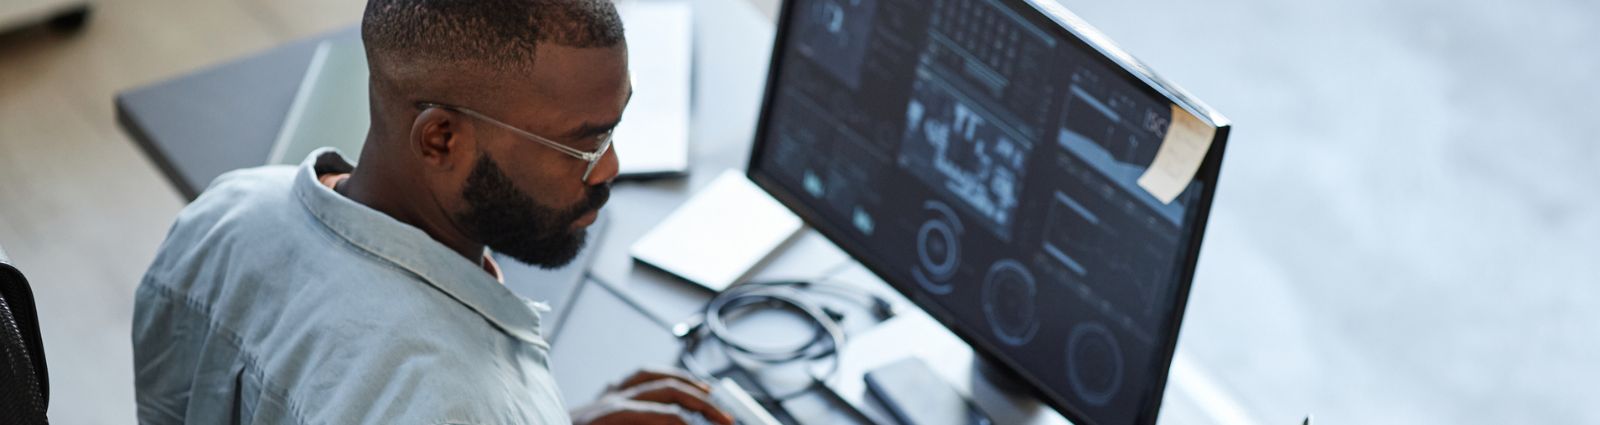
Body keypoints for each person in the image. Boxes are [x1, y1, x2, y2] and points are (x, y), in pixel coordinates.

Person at [131, 0, 731, 424]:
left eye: (616, 126)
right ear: (441, 139)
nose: (610, 169)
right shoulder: (458, 403)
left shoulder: (225, 212)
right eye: (586, 144)